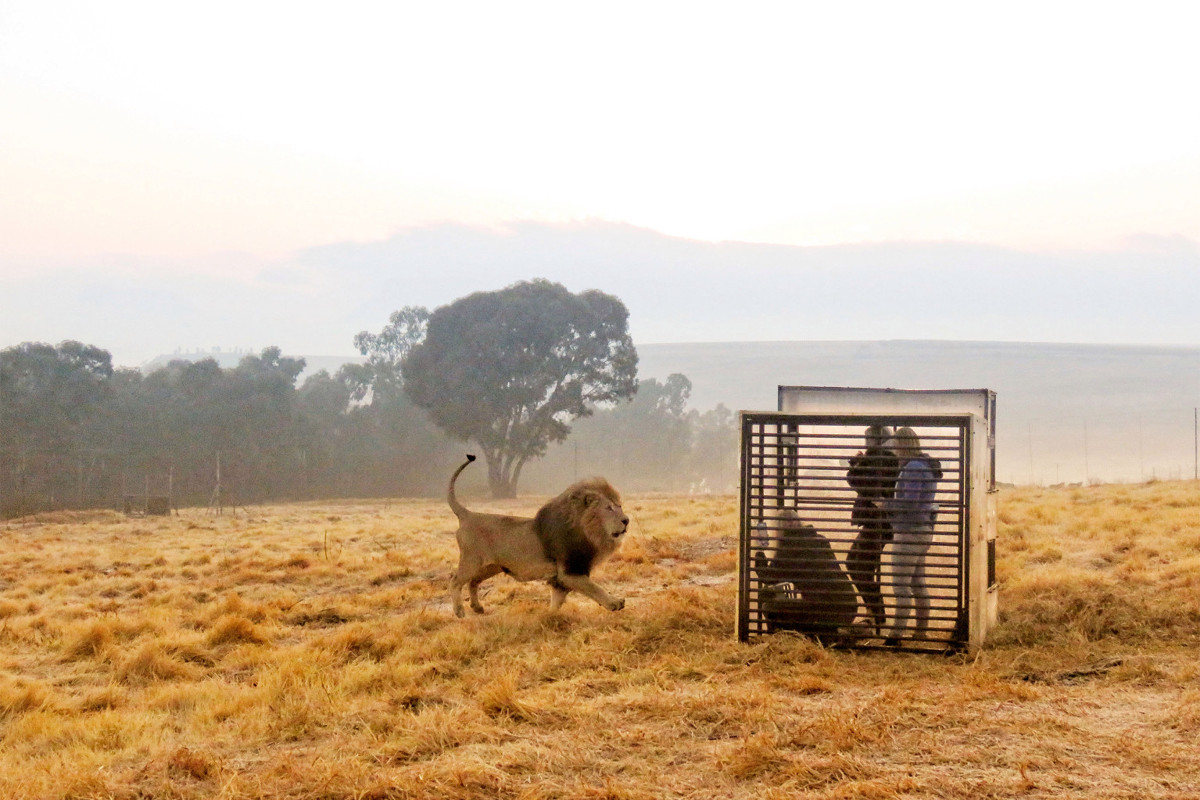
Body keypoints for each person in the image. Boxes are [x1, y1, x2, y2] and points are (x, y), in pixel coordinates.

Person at [753, 509, 858, 645]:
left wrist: (759, 551)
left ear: (778, 529)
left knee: (769, 606)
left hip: (825, 609)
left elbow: (768, 577)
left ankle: (797, 640)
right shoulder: (820, 539)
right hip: (848, 606)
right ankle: (832, 634)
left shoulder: (788, 548)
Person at [883, 426, 942, 646]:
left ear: (901, 445)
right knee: (917, 583)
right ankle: (920, 632)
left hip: (910, 531)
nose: (893, 450)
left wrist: (886, 504)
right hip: (922, 531)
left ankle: (896, 636)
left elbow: (910, 502)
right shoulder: (923, 465)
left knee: (901, 585)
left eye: (895, 445)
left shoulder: (913, 468)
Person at [845, 425, 899, 636]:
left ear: (877, 439)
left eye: (869, 438)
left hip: (878, 521)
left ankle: (875, 613)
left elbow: (857, 481)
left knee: (859, 565)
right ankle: (876, 612)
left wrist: (857, 464)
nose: (866, 442)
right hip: (876, 521)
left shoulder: (881, 458)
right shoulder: (883, 458)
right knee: (857, 564)